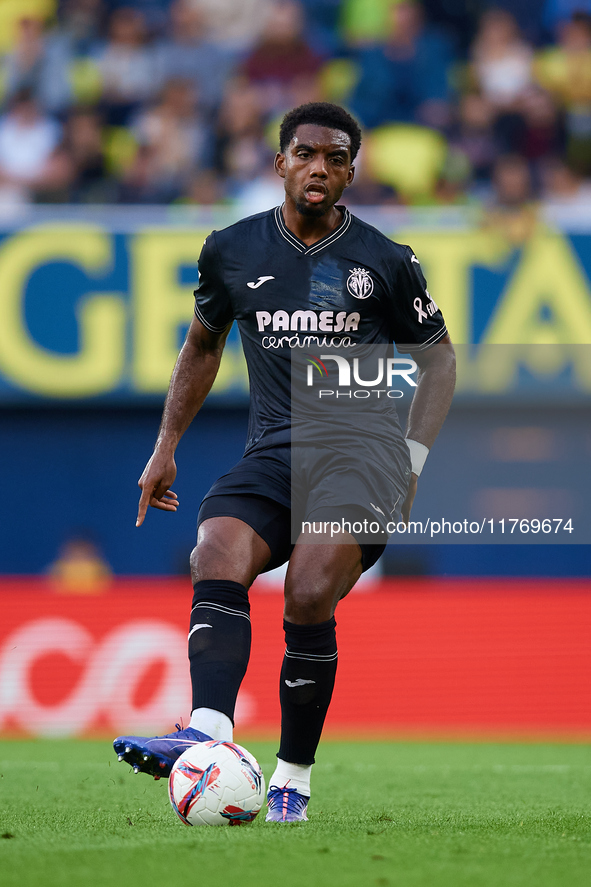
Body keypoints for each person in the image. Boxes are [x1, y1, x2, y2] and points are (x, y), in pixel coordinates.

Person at [113, 101, 456, 822]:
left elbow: (438, 362)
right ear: (280, 163)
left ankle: (292, 776)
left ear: (350, 173)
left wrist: (414, 461)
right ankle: (206, 729)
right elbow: (201, 346)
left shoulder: (386, 262)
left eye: (335, 157)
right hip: (270, 454)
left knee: (305, 593)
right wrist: (164, 446)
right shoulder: (232, 250)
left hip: (361, 461)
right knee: (215, 548)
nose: (319, 168)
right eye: (306, 153)